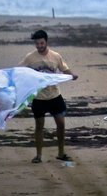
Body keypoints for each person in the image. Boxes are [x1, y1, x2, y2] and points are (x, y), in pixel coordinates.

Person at [19, 29, 78, 163]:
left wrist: (71, 75)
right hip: (38, 98)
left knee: (61, 124)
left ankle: (61, 153)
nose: (39, 46)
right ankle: (38, 156)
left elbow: (64, 69)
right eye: (37, 44)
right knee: (39, 126)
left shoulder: (55, 56)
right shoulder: (30, 57)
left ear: (46, 42)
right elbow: (20, 70)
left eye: (41, 43)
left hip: (54, 96)